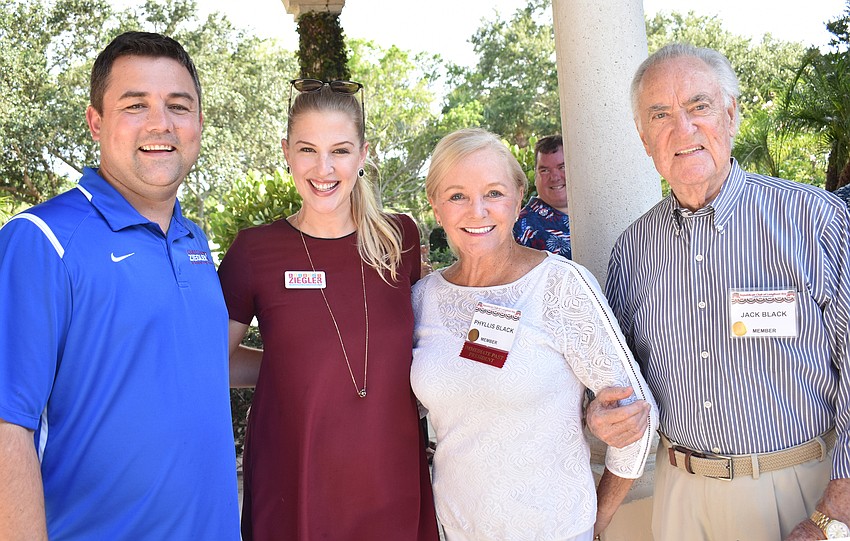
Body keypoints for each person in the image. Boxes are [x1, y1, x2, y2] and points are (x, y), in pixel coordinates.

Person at [600, 43, 850, 541]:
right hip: (679, 496)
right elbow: (620, 380)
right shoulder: (632, 250)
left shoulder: (815, 220)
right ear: (644, 137)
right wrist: (603, 411)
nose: (683, 129)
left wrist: (837, 508)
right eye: (661, 115)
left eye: (699, 105)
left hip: (800, 488)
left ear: (731, 115)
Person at [0, 32, 240, 540]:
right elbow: (7, 423)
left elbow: (194, 361)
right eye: (136, 105)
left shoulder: (192, 239)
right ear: (96, 122)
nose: (161, 123)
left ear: (198, 123)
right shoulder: (41, 240)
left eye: (178, 105)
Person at [217, 79, 439, 540]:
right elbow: (215, 361)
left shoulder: (400, 239)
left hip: (388, 463)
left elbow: (426, 345)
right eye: (307, 150)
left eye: (340, 150)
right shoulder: (256, 250)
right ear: (286, 152)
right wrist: (293, 368)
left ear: (362, 153)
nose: (324, 168)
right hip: (295, 470)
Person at [412, 127, 658, 541]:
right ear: (436, 208)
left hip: (556, 530)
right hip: (455, 530)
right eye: (457, 196)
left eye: (493, 193)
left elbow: (637, 414)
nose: (477, 211)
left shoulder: (560, 286)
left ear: (518, 198)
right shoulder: (423, 299)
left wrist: (597, 519)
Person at [513, 134, 572, 258]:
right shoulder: (520, 229)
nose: (555, 177)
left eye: (562, 167)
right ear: (535, 176)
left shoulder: (596, 213)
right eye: (545, 170)